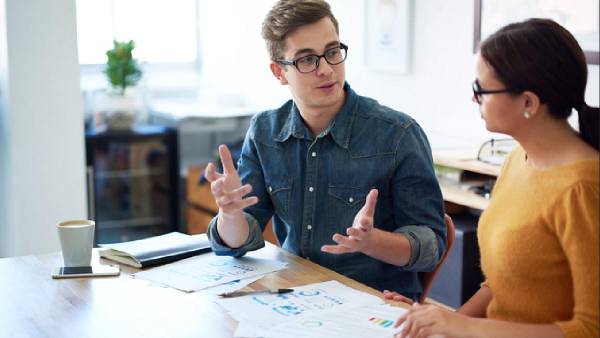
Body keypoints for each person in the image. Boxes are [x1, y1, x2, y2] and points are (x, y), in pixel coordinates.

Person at [203, 0, 446, 299]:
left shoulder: (398, 135)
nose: (326, 70)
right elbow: (239, 243)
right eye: (306, 60)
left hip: (372, 303)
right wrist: (230, 215)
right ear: (279, 72)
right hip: (293, 297)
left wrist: (373, 242)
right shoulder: (265, 132)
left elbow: (431, 247)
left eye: (332, 52)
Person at [389, 18, 599, 338]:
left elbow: (590, 329)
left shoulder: (582, 189)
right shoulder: (518, 159)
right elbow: (502, 286)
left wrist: (462, 326)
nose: (475, 99)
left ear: (528, 102)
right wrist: (437, 323)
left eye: (481, 89)